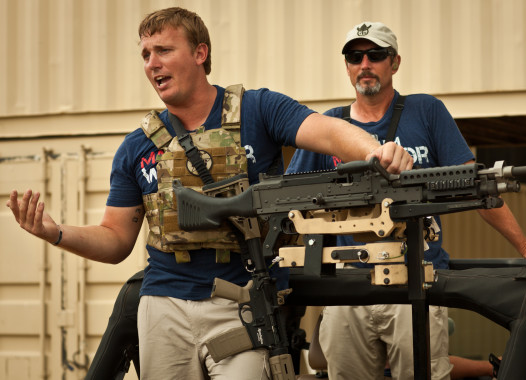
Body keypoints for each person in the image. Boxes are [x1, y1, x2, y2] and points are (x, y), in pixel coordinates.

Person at [6, 9, 413, 380]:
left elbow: (324, 130)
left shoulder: (258, 110)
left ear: (200, 52)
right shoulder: (137, 146)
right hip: (163, 306)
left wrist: (374, 150)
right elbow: (114, 239)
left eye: (164, 49)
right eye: (146, 54)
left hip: (242, 305)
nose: (152, 63)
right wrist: (55, 232)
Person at [286, 21, 526, 380]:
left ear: (395, 62)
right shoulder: (330, 125)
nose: (365, 64)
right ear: (347, 65)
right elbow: (292, 200)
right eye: (355, 56)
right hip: (347, 286)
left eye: (376, 55)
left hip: (415, 279)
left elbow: (475, 187)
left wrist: (525, 245)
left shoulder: (426, 111)